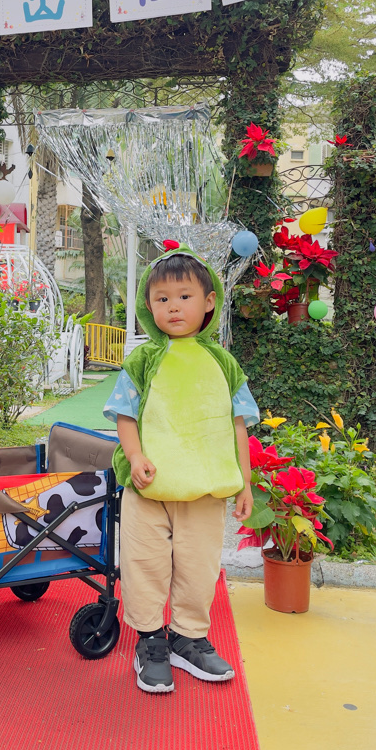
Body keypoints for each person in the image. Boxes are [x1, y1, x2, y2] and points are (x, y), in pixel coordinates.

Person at [104, 243, 259, 693]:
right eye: (162, 298)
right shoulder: (142, 360)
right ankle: (151, 640)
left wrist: (245, 483)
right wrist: (136, 457)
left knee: (198, 566)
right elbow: (125, 416)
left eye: (184, 296)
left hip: (205, 488)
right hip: (147, 487)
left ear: (209, 302)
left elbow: (238, 424)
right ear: (147, 306)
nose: (173, 307)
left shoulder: (223, 363)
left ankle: (189, 638)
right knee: (144, 564)